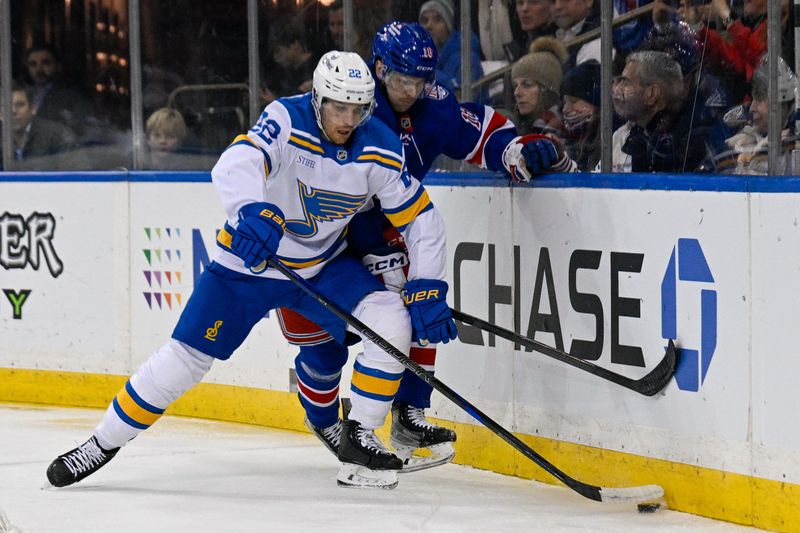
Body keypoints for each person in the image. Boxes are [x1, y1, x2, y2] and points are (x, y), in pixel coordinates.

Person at [46, 50, 458, 490]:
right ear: (317, 99)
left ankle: (360, 439)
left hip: (321, 268)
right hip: (249, 264)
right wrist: (251, 210)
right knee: (185, 359)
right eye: (339, 107)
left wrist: (428, 283)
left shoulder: (378, 143)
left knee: (392, 319)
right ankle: (100, 443)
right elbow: (236, 161)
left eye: (358, 109)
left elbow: (420, 218)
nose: (348, 119)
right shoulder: (285, 117)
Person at [276, 22, 574, 473]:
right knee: (324, 348)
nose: (412, 90)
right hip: (323, 244)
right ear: (379, 69)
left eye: (421, 80)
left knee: (422, 306)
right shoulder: (348, 110)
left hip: (391, 230)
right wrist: (369, 244)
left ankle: (408, 416)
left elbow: (479, 131)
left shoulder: (434, 106)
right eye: (401, 79)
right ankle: (323, 420)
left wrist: (515, 149)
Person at [610, 50, 723, 172]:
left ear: (651, 94)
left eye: (625, 82)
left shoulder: (691, 142)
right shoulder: (641, 135)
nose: (617, 88)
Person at [724, 56, 799, 175]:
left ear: (782, 102)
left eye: (759, 98)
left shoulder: (795, 138)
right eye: (753, 98)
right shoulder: (742, 127)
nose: (752, 108)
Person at [23, 44, 95, 140]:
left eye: (46, 63)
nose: (39, 69)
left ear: (58, 66)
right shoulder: (23, 94)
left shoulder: (73, 96)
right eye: (33, 64)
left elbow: (82, 130)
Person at [0, 81, 76, 170]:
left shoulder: (58, 136)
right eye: (6, 105)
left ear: (33, 108)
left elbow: (75, 177)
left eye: (20, 105)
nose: (13, 111)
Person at [418, 0, 485, 95]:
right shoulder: (421, 59)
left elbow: (462, 101)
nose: (429, 26)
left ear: (448, 26)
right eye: (425, 21)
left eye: (437, 20)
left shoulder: (467, 59)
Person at [511, 37, 569, 136]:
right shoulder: (519, 126)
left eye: (527, 85)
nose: (517, 93)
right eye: (516, 85)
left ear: (547, 89)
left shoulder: (559, 129)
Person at [560, 60, 601, 171]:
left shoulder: (615, 142)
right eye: (565, 102)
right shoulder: (563, 144)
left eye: (573, 101)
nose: (565, 109)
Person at [552, 0, 601, 69]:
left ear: (588, 1)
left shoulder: (597, 43)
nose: (557, 6)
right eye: (553, 1)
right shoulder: (555, 32)